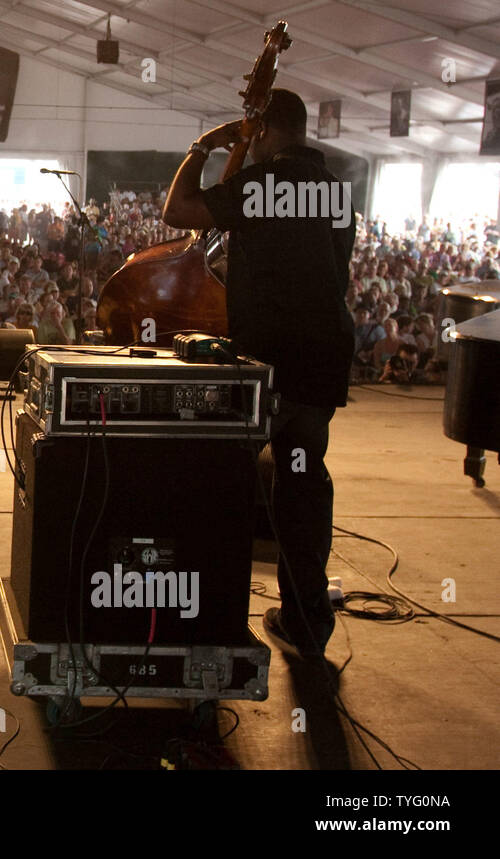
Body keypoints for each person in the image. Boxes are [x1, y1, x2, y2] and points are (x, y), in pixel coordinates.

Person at [162, 88, 355, 660]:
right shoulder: (337, 192)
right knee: (303, 478)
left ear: (266, 132)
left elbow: (179, 211)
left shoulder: (259, 185)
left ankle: (214, 615)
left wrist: (204, 147)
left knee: (228, 480)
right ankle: (308, 621)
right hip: (322, 354)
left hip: (266, 355)